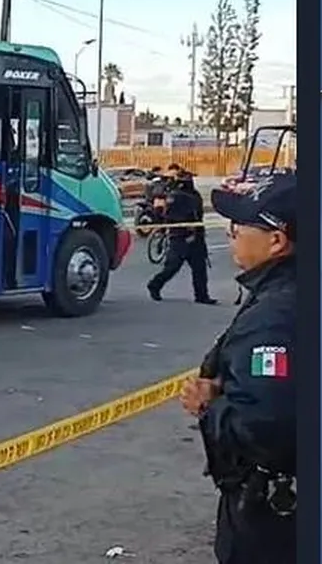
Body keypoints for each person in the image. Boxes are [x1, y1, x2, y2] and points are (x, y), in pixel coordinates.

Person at [180, 174, 296, 564]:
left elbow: (265, 427)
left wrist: (208, 406)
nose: (231, 234)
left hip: (275, 519)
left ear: (276, 240)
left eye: (239, 226)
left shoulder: (275, 317)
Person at [147, 168, 217, 304]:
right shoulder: (175, 196)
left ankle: (202, 296)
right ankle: (155, 285)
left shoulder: (194, 194)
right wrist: (186, 226)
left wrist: (196, 230)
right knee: (172, 267)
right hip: (180, 237)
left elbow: (198, 213)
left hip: (196, 237)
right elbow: (170, 216)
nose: (189, 180)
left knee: (200, 269)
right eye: (186, 178)